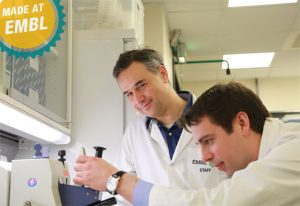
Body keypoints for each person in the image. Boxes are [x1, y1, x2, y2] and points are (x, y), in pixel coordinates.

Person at [74, 82, 300, 205]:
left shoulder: (294, 147)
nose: (205, 157)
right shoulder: (134, 131)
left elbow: (217, 203)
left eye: (209, 141)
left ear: (242, 123)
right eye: (129, 93)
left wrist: (119, 181)